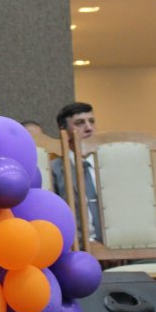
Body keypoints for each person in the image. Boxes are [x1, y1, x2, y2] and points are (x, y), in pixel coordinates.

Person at [50, 101, 102, 243]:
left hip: (116, 246)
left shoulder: (108, 164)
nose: (89, 128)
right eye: (79, 123)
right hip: (76, 245)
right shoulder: (54, 169)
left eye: (91, 121)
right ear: (63, 130)